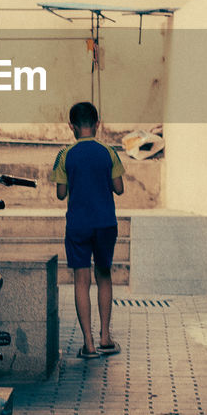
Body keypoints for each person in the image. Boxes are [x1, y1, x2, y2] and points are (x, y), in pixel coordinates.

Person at [49, 101, 125, 359]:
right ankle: (105, 337)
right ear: (97, 124)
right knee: (104, 275)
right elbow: (119, 188)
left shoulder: (65, 155)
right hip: (105, 223)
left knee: (82, 280)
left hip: (78, 225)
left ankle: (89, 344)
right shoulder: (109, 152)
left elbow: (61, 194)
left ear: (71, 126)